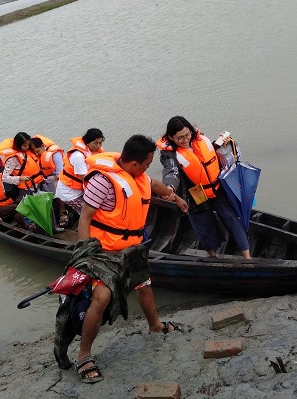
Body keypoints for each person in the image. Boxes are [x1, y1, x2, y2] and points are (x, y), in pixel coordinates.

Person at [72, 135, 189, 383]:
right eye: (146, 164)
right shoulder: (103, 181)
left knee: (144, 286)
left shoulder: (138, 176)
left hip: (132, 248)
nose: (148, 168)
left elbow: (154, 184)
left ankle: (155, 326)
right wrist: (85, 252)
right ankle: (84, 356)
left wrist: (175, 197)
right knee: (102, 297)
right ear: (134, 163)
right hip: (105, 251)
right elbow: (85, 217)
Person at [157, 116, 251, 259]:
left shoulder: (199, 138)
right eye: (179, 138)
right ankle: (212, 256)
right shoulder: (169, 154)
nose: (185, 140)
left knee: (232, 219)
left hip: (216, 187)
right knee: (204, 225)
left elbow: (208, 155)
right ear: (171, 137)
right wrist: (169, 187)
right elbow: (171, 172)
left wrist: (220, 144)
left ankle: (247, 257)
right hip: (194, 194)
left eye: (187, 135)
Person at [54, 128, 105, 226]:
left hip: (79, 190)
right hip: (70, 193)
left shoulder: (95, 151)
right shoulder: (78, 157)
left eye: (100, 143)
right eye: (96, 143)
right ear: (87, 142)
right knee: (89, 214)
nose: (98, 146)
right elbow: (85, 181)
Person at [0, 132, 45, 200]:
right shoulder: (13, 159)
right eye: (25, 146)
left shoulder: (27, 152)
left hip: (38, 183)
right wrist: (20, 178)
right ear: (18, 145)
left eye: (28, 145)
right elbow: (4, 178)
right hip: (26, 188)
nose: (28, 147)